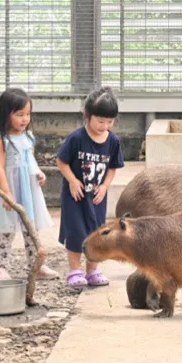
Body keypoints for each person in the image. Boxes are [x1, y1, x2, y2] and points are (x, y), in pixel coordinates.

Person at [0, 87, 60, 281]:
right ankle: (1, 268)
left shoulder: (28, 137)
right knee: (6, 229)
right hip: (9, 187)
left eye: (27, 114)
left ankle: (37, 265)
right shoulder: (1, 140)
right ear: (6, 114)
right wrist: (6, 193)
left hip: (28, 188)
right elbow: (0, 168)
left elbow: (30, 160)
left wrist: (38, 173)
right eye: (19, 114)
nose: (25, 119)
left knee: (31, 229)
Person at [56, 87, 125, 288]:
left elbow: (113, 167)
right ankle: (75, 271)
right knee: (76, 232)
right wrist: (72, 180)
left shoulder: (113, 141)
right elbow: (62, 161)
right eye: (100, 121)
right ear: (88, 116)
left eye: (109, 122)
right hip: (75, 197)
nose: (104, 126)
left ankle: (92, 270)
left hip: (96, 198)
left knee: (96, 232)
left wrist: (104, 186)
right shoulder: (76, 138)